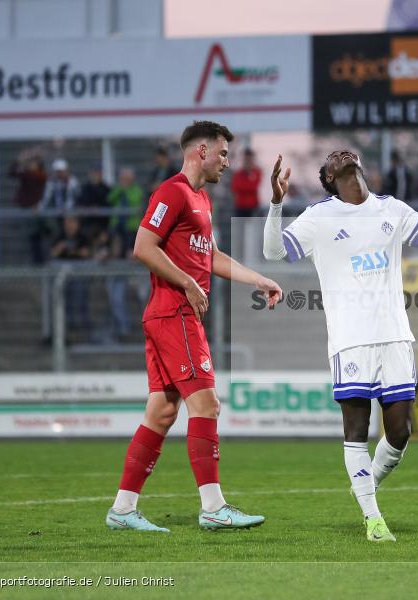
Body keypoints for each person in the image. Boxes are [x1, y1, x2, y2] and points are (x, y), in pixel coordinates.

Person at [263, 149, 418, 542]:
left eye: (346, 152)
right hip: (350, 340)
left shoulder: (391, 209)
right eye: (331, 157)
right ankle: (373, 518)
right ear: (328, 176)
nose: (340, 154)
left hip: (395, 335)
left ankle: (367, 484)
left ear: (360, 163)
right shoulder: (319, 216)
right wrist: (276, 203)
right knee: (356, 431)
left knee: (401, 432)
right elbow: (273, 251)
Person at [105, 121, 283, 533]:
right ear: (200, 151)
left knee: (163, 411)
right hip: (174, 314)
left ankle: (123, 509)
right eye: (222, 153)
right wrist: (186, 283)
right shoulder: (172, 192)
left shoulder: (201, 200)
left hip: (171, 315)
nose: (227, 161)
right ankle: (213, 507)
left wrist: (259, 278)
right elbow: (142, 246)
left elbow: (212, 256)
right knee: (206, 405)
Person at [50, 215, 93, 335]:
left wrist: (74, 251)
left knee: (80, 298)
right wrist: (62, 246)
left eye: (72, 222)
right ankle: (66, 328)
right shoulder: (60, 236)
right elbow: (53, 253)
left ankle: (82, 326)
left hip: (80, 274)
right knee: (62, 299)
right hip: (62, 275)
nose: (69, 226)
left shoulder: (82, 237)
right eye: (67, 223)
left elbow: (87, 253)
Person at [9, 154, 48, 263]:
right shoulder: (30, 175)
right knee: (33, 238)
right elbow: (12, 172)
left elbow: (15, 172)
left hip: (36, 211)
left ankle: (39, 262)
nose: (30, 165)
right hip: (28, 211)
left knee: (36, 237)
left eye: (33, 163)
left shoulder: (38, 176)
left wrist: (21, 161)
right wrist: (19, 161)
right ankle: (37, 262)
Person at [107, 166, 145, 252]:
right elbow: (110, 199)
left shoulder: (137, 189)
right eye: (123, 178)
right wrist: (120, 189)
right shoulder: (117, 189)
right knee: (113, 238)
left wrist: (125, 190)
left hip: (131, 224)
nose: (125, 180)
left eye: (127, 178)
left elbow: (134, 200)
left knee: (129, 242)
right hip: (117, 222)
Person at [78, 163, 111, 242]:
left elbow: (108, 204)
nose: (96, 175)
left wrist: (98, 208)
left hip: (103, 224)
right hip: (88, 222)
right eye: (95, 172)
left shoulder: (106, 189)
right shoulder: (85, 188)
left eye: (98, 172)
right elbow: (80, 202)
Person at [231, 148, 262, 218]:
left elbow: (254, 187)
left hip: (254, 207)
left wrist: (244, 186)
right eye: (246, 159)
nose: (248, 162)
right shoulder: (238, 174)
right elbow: (235, 188)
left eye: (249, 159)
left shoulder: (257, 172)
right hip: (241, 207)